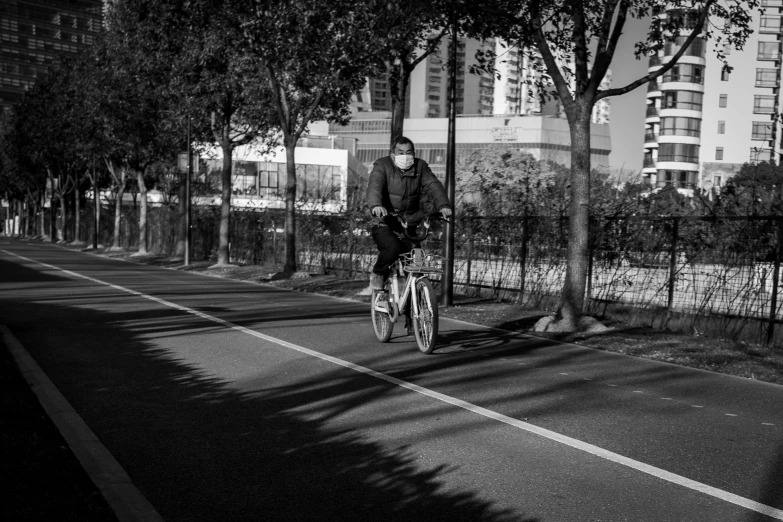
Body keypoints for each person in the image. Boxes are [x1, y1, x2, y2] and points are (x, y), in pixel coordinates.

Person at [365, 136, 452, 290]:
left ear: (413, 153)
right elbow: (374, 186)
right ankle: (378, 273)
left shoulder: (420, 167)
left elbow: (434, 185)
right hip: (385, 221)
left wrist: (443, 205)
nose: (405, 156)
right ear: (393, 154)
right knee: (393, 249)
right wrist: (376, 205)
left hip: (409, 223)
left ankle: (416, 298)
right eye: (400, 152)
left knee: (417, 262)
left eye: (408, 152)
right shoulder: (382, 165)